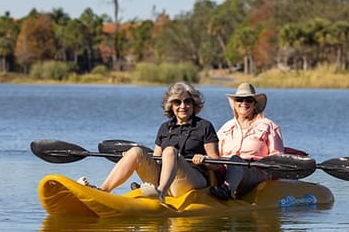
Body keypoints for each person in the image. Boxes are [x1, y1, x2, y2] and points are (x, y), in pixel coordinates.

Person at [79, 81, 221, 202]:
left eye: (187, 101)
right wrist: (132, 158)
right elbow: (156, 158)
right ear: (171, 105)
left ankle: (160, 193)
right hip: (164, 178)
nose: (182, 106)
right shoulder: (165, 128)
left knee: (170, 151)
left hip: (192, 180)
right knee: (136, 151)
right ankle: (103, 190)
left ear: (194, 103)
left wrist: (205, 159)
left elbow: (216, 163)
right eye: (177, 102)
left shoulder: (204, 126)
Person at [202, 83, 284, 200]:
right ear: (234, 104)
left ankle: (227, 190)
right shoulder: (226, 127)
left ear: (254, 104)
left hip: (255, 173)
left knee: (235, 160)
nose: (244, 103)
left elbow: (277, 158)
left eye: (249, 100)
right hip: (225, 170)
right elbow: (214, 152)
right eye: (239, 99)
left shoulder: (269, 126)